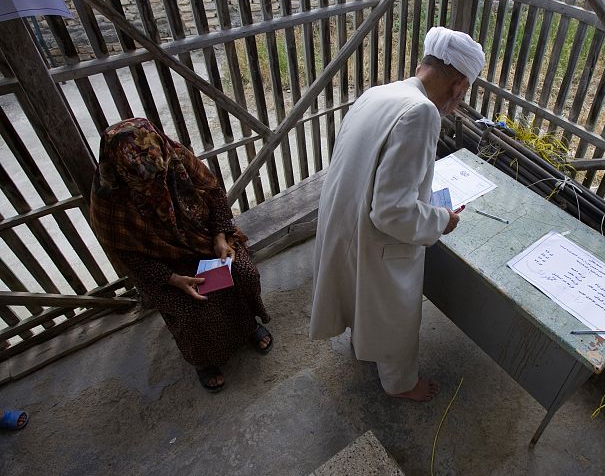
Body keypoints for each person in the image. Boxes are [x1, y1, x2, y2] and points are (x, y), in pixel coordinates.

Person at [310, 27, 485, 402]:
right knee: (395, 309)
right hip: (372, 233)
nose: (459, 100)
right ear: (457, 86)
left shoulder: (381, 92)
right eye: (464, 92)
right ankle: (401, 383)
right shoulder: (422, 113)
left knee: (362, 294)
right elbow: (390, 212)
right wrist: (442, 220)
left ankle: (364, 344)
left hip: (344, 219)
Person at [89, 118, 272, 392]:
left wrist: (220, 237)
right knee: (191, 313)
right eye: (140, 181)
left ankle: (247, 327)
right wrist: (172, 278)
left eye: (156, 175)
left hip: (206, 241)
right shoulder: (109, 198)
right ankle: (204, 360)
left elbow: (214, 193)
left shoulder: (177, 159)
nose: (153, 187)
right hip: (162, 265)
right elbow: (126, 255)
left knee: (243, 274)